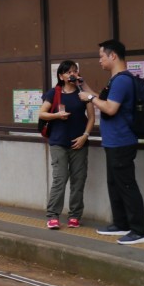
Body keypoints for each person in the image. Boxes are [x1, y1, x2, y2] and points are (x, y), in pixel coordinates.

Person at [78, 39, 144, 245]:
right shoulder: (116, 80)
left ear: (113, 56)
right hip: (113, 142)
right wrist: (85, 87)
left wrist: (89, 98)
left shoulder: (122, 81)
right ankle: (121, 223)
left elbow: (110, 109)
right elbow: (104, 100)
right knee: (114, 184)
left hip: (121, 142)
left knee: (126, 184)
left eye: (101, 56)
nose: (99, 60)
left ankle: (140, 229)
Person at [39, 61, 94, 229]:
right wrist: (57, 115)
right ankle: (53, 215)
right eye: (69, 71)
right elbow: (42, 114)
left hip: (79, 143)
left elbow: (91, 118)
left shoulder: (83, 93)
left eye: (75, 71)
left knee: (78, 180)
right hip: (58, 143)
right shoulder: (53, 93)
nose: (73, 74)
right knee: (60, 179)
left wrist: (85, 136)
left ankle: (75, 216)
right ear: (61, 76)